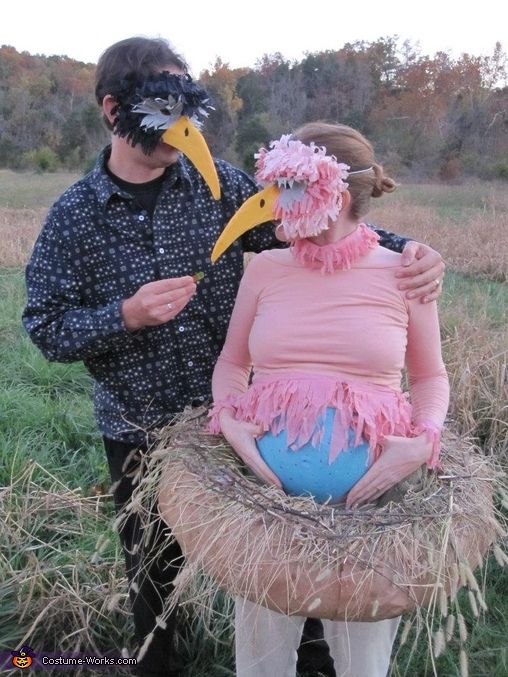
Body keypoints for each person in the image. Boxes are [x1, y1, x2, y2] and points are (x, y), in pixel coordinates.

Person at [21, 36, 445, 677]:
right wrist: (125, 315)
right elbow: (45, 327)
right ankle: (161, 664)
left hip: (251, 421)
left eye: (190, 113)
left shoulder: (217, 187)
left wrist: (412, 250)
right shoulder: (75, 218)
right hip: (143, 425)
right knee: (155, 575)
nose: (183, 131)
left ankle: (315, 661)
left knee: (285, 573)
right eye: (165, 113)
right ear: (113, 110)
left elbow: (316, 217)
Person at [209, 123, 450, 677]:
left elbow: (431, 377)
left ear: (334, 194)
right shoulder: (265, 268)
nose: (273, 204)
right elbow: (231, 364)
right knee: (261, 662)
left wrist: (423, 443)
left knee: (362, 664)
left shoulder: (405, 273)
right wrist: (229, 422)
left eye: (288, 188)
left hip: (369, 516)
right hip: (266, 509)